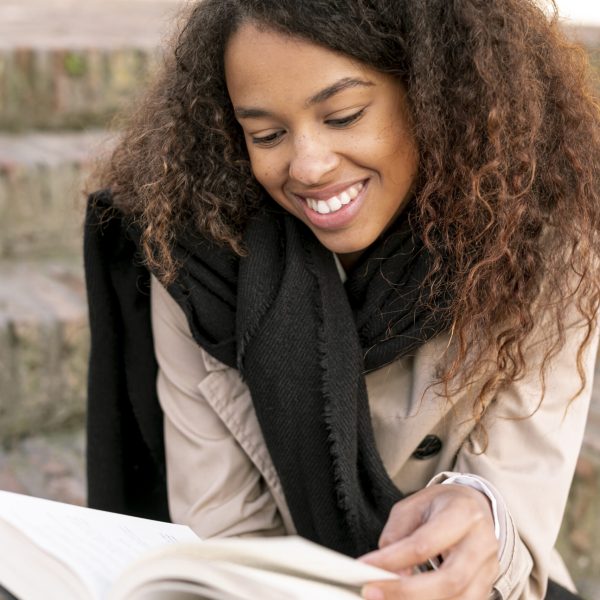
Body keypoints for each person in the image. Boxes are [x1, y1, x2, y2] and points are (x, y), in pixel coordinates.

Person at [83, 1, 600, 599]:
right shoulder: (196, 263)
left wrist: (482, 519)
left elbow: (516, 507)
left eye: (344, 116)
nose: (308, 166)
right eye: (267, 134)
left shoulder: (543, 238)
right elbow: (222, 534)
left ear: (435, 95)